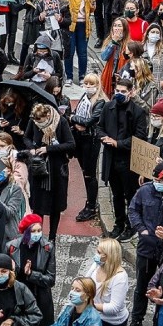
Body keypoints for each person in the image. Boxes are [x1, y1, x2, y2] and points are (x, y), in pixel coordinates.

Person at [96, 78, 148, 241]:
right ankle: (119, 223)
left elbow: (140, 137)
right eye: (117, 91)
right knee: (116, 194)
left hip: (128, 160)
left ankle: (131, 225)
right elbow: (99, 127)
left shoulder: (138, 112)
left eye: (123, 92)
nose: (119, 94)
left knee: (130, 194)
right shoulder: (108, 107)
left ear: (131, 92)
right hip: (111, 160)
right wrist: (104, 137)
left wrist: (118, 143)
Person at [127, 163, 163, 326]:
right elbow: (133, 210)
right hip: (147, 248)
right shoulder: (144, 190)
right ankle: (136, 320)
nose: (156, 183)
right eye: (154, 180)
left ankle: (159, 321)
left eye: (160, 181)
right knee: (142, 287)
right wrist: (141, 229)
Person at [23, 103, 74, 241]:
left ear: (48, 116)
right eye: (36, 122)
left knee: (55, 206)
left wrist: (48, 149)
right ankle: (37, 234)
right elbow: (26, 137)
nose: (39, 125)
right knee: (37, 204)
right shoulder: (33, 121)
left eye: (41, 122)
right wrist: (32, 147)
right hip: (38, 168)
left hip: (56, 169)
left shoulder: (61, 122)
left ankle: (52, 237)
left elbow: (70, 144)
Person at [70, 74, 109, 221]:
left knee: (89, 174)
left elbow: (90, 121)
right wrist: (76, 120)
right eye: (85, 84)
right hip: (80, 140)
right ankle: (89, 203)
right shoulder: (84, 97)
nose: (87, 87)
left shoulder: (100, 101)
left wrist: (73, 119)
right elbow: (76, 115)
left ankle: (91, 205)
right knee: (85, 171)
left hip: (91, 141)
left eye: (90, 84)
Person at [8, 214, 56, 326]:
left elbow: (50, 280)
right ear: (25, 231)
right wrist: (15, 271)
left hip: (40, 298)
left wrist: (31, 274)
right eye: (33, 231)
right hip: (19, 298)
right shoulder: (11, 248)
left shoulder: (47, 248)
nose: (37, 234)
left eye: (39, 230)